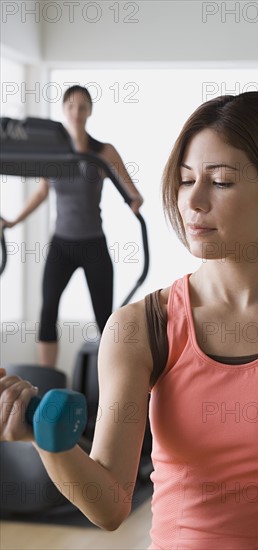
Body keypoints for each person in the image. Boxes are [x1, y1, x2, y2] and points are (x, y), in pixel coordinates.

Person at [0, 92, 258, 549]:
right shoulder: (138, 327)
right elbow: (111, 505)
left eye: (222, 182)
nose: (194, 201)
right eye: (187, 179)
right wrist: (48, 439)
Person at [1, 85, 144, 368]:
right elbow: (43, 192)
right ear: (64, 110)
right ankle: (46, 385)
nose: (76, 112)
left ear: (89, 111)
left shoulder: (103, 152)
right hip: (62, 244)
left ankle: (111, 384)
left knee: (106, 318)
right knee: (48, 312)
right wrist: (14, 221)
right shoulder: (53, 153)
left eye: (82, 107)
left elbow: (132, 192)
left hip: (93, 244)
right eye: (71, 107)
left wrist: (134, 202)